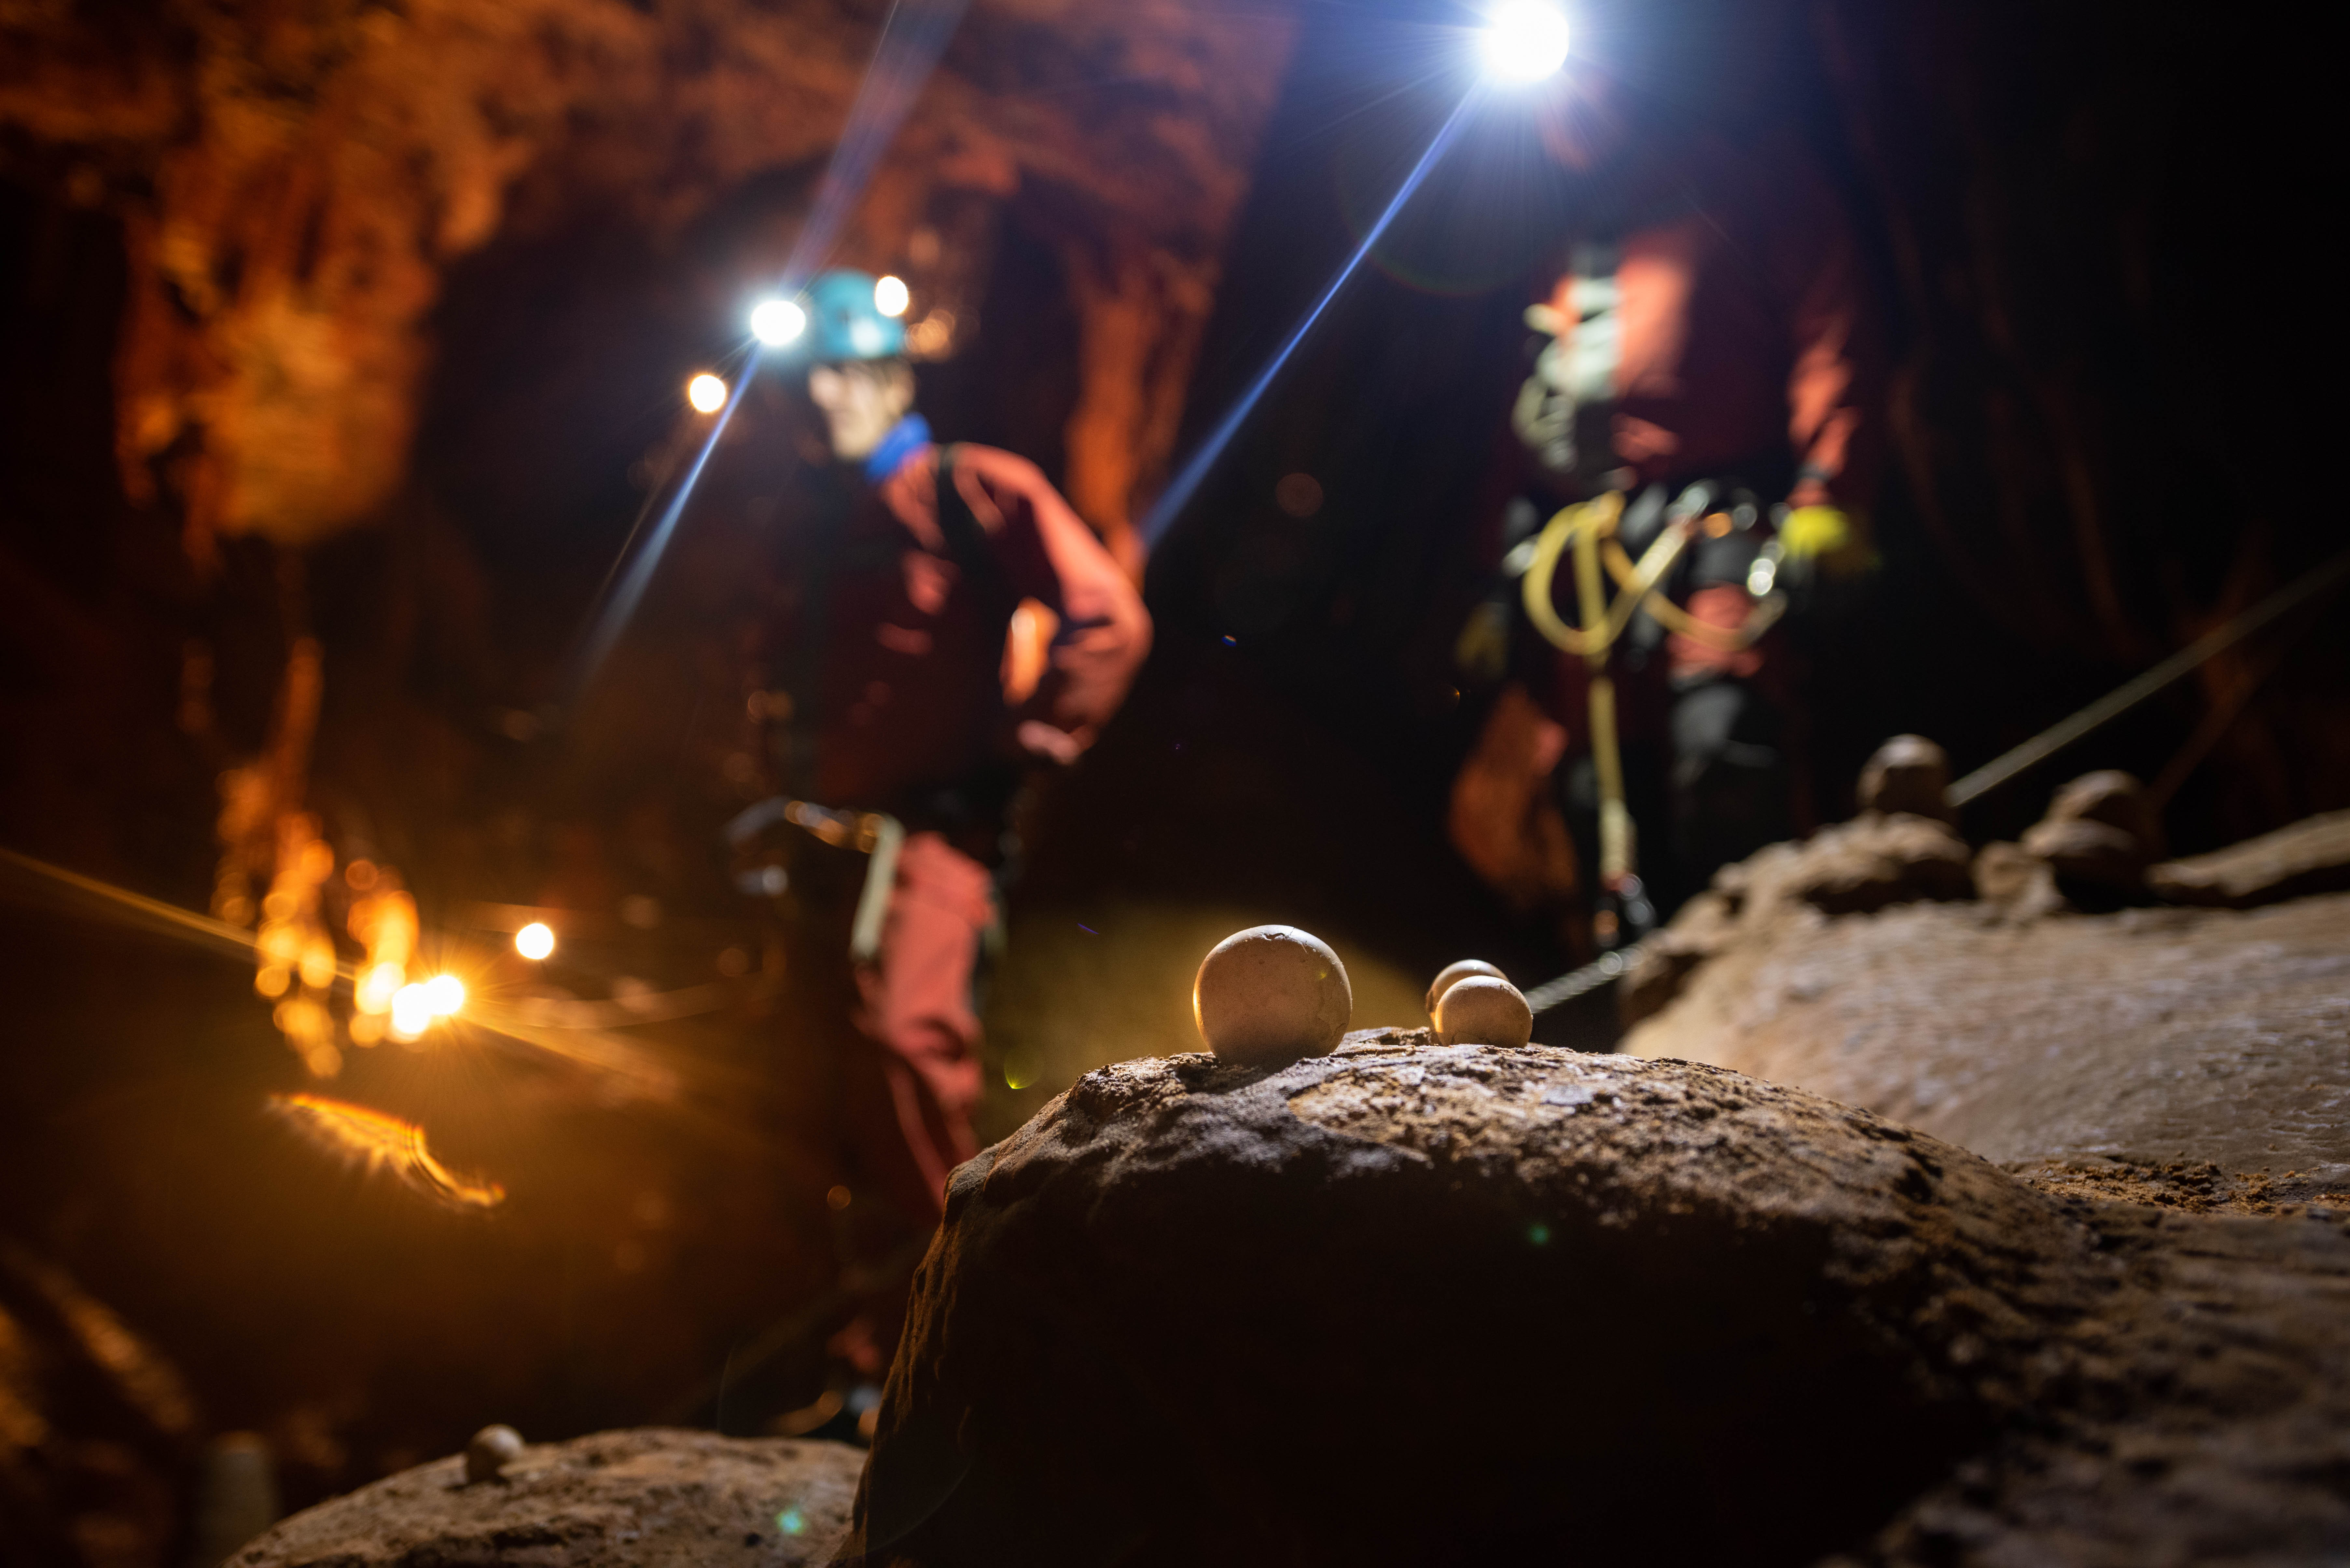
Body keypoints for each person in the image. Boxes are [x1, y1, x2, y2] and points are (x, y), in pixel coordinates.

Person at [747, 270, 1150, 1259]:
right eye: (810, 378)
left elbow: (1108, 622)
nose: (823, 396)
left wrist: (1019, 749)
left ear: (894, 378)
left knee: (904, 1053)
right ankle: (853, 1342)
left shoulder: (973, 488)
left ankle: (951, 1308)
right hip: (822, 839)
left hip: (928, 834)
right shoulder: (820, 514)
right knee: (812, 1079)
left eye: (844, 373)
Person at [1454, 83, 1883, 938]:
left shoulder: (1748, 180)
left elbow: (1832, 321)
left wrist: (1829, 496)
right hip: (1585, 548)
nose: (1558, 121)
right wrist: (1500, 578)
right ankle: (1641, 988)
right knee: (1593, 783)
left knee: (1722, 747)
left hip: (1717, 518)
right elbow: (1523, 419)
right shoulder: (1572, 241)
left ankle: (1753, 974)